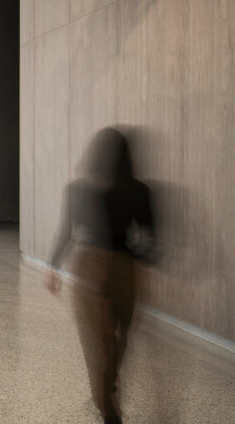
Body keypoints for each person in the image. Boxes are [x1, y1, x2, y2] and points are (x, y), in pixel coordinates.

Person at [46, 127, 157, 424]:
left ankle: (105, 398)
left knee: (96, 338)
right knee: (121, 335)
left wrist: (52, 267)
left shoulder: (78, 188)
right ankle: (108, 388)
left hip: (86, 268)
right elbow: (148, 240)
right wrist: (139, 257)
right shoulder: (139, 190)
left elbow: (66, 232)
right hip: (124, 269)